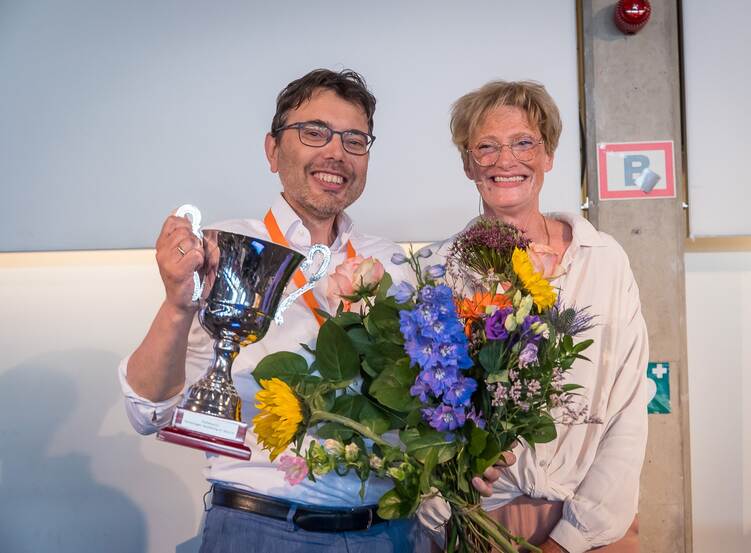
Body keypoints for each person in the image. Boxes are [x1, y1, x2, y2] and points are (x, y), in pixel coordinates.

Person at [119, 69, 417, 552]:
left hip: (388, 531)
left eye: (355, 139)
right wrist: (178, 301)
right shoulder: (222, 248)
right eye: (314, 132)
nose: (336, 152)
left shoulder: (396, 265)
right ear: (272, 149)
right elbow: (147, 412)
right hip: (262, 529)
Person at [419, 81, 649, 552]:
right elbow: (419, 415)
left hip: (595, 530)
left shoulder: (603, 260)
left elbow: (628, 408)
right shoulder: (435, 271)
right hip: (476, 524)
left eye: (524, 142)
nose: (507, 160)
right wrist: (450, 497)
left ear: (548, 156)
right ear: (467, 164)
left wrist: (572, 537)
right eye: (486, 147)